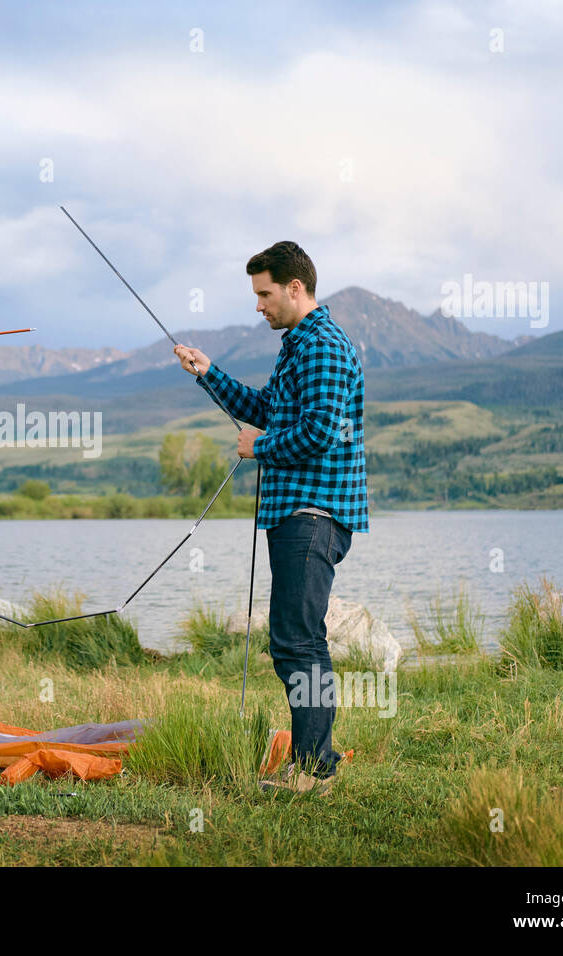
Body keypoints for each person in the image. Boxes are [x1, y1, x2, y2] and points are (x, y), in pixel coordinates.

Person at [173, 241, 368, 796]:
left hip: (314, 512)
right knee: (294, 639)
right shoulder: (298, 345)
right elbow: (266, 411)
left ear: (295, 288)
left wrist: (260, 448)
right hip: (294, 514)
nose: (258, 305)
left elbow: (320, 434)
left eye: (264, 294)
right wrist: (208, 372)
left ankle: (313, 771)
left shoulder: (324, 346)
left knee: (299, 641)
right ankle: (313, 762)